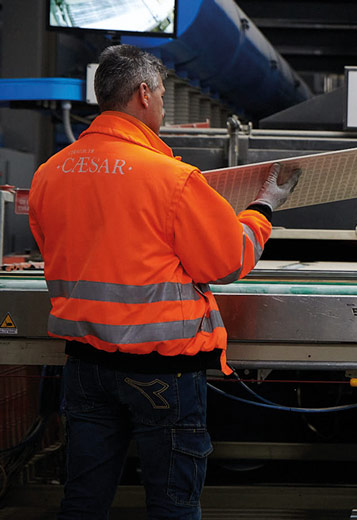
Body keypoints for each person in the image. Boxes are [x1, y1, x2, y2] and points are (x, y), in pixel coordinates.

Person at [28, 44, 300, 519]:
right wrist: (264, 206)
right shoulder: (171, 178)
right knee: (172, 505)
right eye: (162, 93)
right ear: (143, 93)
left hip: (85, 367)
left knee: (83, 501)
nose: (163, 103)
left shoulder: (51, 174)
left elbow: (63, 247)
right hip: (162, 375)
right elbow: (228, 260)